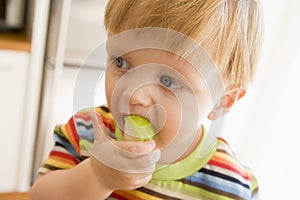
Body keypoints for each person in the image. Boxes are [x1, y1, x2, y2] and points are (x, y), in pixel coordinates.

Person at [29, 0, 262, 199]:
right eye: (121, 63)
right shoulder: (86, 131)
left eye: (168, 81)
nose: (134, 94)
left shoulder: (231, 185)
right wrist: (96, 176)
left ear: (222, 101)